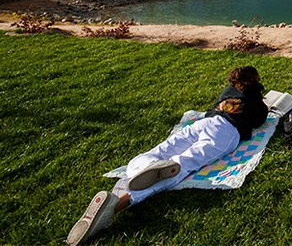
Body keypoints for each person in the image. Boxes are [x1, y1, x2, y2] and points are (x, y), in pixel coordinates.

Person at [66, 66, 268, 246]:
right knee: (184, 163)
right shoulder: (256, 101)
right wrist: (260, 98)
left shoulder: (226, 92)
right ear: (255, 81)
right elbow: (258, 120)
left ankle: (138, 171)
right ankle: (118, 204)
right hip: (226, 131)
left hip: (202, 124)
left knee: (160, 151)